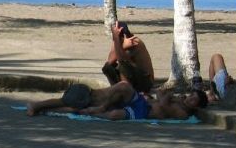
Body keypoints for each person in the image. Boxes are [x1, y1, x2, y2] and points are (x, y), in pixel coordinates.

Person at [27, 81, 207, 121]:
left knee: (92, 111)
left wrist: (166, 95)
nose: (190, 99)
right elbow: (158, 95)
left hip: (141, 112)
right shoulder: (180, 101)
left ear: (196, 106)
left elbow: (162, 102)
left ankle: (41, 108)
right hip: (141, 104)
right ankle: (100, 104)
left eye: (193, 100)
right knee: (123, 86)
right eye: (192, 95)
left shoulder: (183, 113)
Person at [102, 21, 154, 93]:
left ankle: (126, 92)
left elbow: (122, 60)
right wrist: (117, 40)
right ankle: (116, 89)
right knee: (107, 67)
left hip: (146, 82)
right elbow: (110, 61)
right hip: (134, 78)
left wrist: (118, 41)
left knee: (123, 65)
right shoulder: (118, 41)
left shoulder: (134, 42)